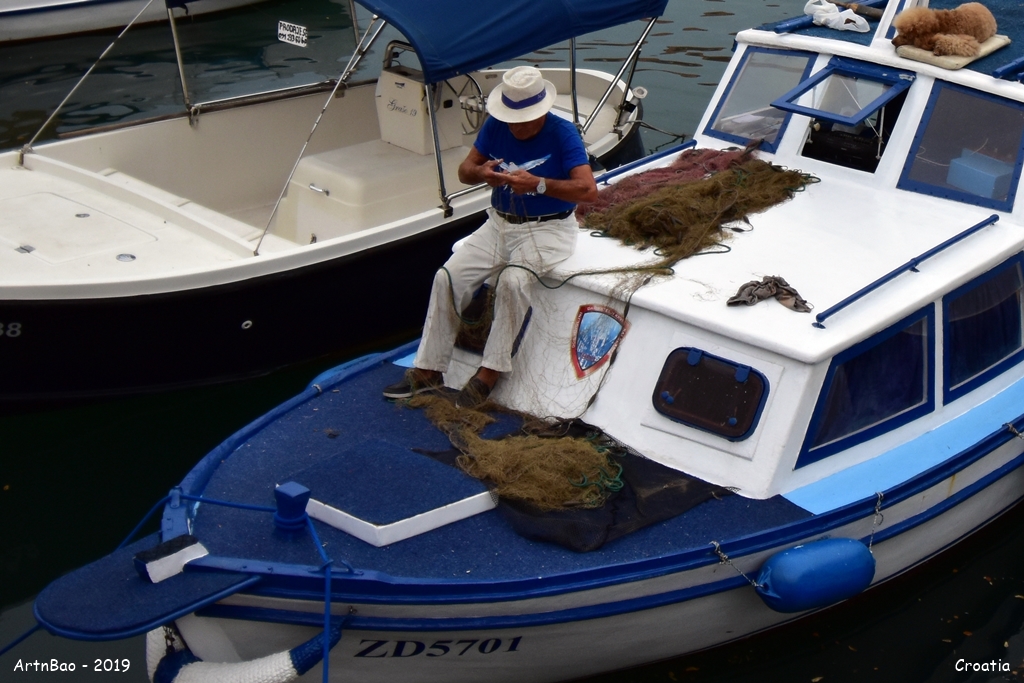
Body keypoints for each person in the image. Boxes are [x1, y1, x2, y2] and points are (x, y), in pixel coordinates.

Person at [383, 65, 599, 407]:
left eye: (524, 119)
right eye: (512, 118)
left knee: (514, 282)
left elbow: (588, 191)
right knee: (447, 277)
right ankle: (429, 370)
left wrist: (539, 184)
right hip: (498, 223)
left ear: (541, 111)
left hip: (549, 228)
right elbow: (465, 170)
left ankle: (490, 372)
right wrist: (483, 173)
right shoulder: (496, 125)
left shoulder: (563, 133)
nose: (517, 126)